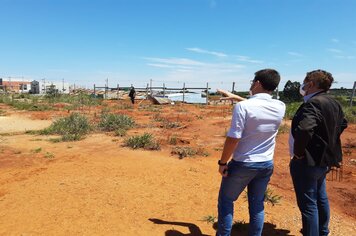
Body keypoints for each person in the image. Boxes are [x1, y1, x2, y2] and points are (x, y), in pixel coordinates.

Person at [216, 69, 286, 236]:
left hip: (243, 163)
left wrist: (223, 163)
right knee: (257, 205)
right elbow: (258, 107)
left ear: (257, 83)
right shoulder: (280, 106)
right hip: (266, 164)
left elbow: (233, 138)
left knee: (226, 201)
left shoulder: (243, 107)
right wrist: (236, 97)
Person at [289, 70, 347, 236]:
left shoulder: (313, 103)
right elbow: (343, 124)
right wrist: (327, 140)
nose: (303, 84)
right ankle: (323, 231)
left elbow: (305, 129)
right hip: (325, 160)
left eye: (305, 81)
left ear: (311, 84)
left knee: (308, 204)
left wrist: (299, 153)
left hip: (308, 161)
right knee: (320, 197)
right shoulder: (333, 102)